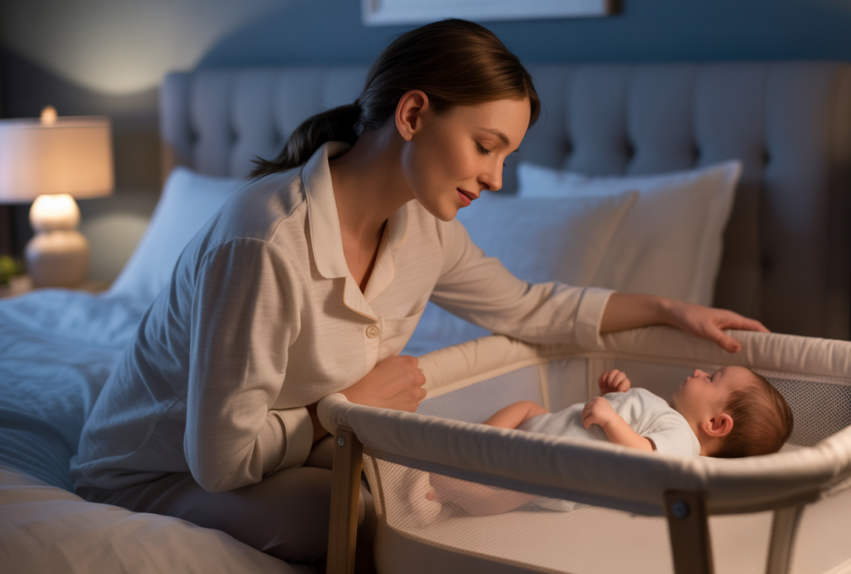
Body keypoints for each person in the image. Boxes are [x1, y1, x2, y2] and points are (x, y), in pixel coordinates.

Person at [69, 19, 768, 566]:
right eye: (485, 146)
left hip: (283, 440)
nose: (495, 178)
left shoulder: (424, 229)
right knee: (359, 516)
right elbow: (219, 462)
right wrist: (340, 413)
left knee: (399, 492)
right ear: (412, 116)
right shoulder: (265, 241)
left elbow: (531, 307)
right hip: (158, 470)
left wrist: (670, 308)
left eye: (506, 156)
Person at [406, 366, 793, 520]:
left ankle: (443, 491)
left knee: (505, 494)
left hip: (553, 470)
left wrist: (611, 419)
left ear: (716, 424)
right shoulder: (668, 418)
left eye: (711, 378)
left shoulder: (683, 443)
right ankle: (468, 445)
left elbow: (644, 457)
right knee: (526, 407)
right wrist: (615, 397)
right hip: (551, 432)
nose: (698, 371)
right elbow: (633, 427)